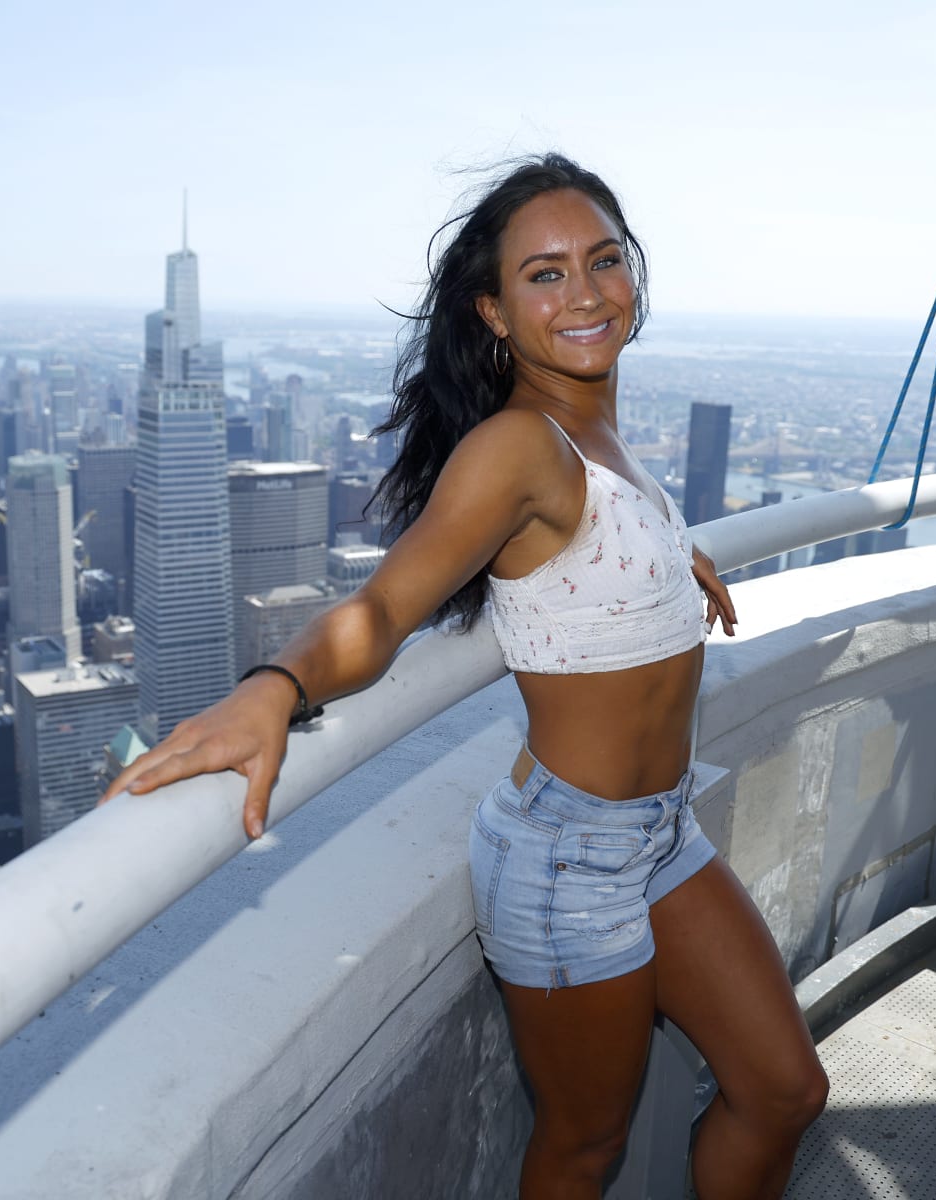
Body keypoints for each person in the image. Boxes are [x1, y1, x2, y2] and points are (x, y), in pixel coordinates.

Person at [101, 153, 827, 1200]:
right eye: (544, 274)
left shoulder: (602, 431)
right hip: (569, 858)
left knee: (785, 1089)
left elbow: (587, 562)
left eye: (603, 260)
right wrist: (274, 686)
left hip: (660, 834)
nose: (584, 293)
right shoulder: (516, 447)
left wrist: (675, 558)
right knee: (584, 1148)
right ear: (493, 311)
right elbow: (382, 609)